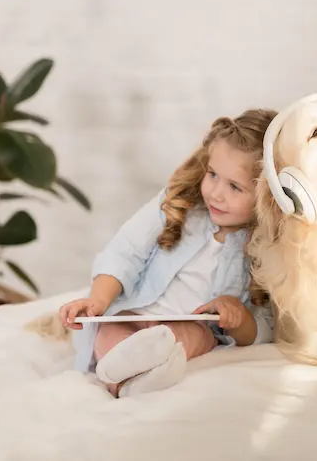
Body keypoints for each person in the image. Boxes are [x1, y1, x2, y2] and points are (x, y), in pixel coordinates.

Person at [59, 108, 278, 398]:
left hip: (184, 327)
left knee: (192, 338)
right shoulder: (177, 205)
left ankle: (136, 376)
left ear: (267, 195)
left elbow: (266, 326)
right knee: (108, 335)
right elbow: (125, 252)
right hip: (133, 313)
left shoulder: (267, 248)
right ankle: (129, 377)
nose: (215, 193)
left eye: (234, 187)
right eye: (212, 174)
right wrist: (97, 300)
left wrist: (238, 318)